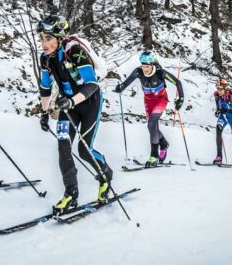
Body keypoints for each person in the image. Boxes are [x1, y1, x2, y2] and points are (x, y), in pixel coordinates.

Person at [35, 14, 113, 214]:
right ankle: (71, 194)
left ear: (60, 38)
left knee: (84, 150)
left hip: (89, 103)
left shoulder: (75, 51)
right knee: (63, 147)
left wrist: (71, 100)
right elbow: (45, 87)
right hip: (67, 107)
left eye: (48, 38)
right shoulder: (45, 59)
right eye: (42, 38)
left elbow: (91, 84)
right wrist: (44, 113)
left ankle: (105, 174)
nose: (44, 43)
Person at [115, 50, 184, 167]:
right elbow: (127, 82)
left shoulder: (160, 73)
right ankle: (164, 144)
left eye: (147, 66)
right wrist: (121, 87)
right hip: (148, 101)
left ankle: (154, 156)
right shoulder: (138, 72)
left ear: (152, 64)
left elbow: (177, 82)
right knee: (154, 127)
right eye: (143, 66)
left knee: (151, 124)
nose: (144, 69)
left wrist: (180, 99)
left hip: (161, 99)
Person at [213, 77, 232, 165]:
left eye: (220, 89)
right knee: (218, 130)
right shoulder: (216, 95)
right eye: (217, 88)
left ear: (225, 88)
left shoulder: (231, 94)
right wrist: (217, 112)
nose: (219, 90)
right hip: (223, 116)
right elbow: (218, 107)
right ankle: (219, 156)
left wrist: (225, 110)